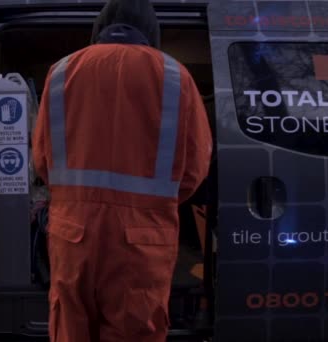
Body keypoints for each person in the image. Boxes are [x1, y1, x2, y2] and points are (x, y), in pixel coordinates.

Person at [31, 0, 213, 341]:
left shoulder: (61, 72)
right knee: (134, 330)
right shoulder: (176, 77)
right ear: (151, 30)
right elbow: (194, 167)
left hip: (73, 234)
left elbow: (42, 159)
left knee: (71, 327)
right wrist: (153, 203)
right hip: (142, 238)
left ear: (99, 27)